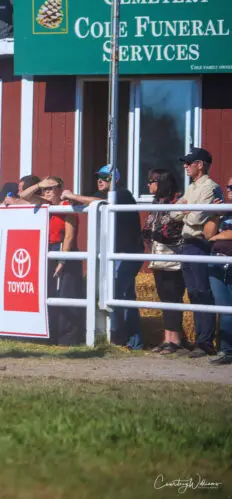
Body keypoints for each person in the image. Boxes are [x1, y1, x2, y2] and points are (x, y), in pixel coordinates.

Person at [63, 165, 144, 350]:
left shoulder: (122, 193)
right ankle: (132, 340)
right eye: (98, 177)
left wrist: (73, 196)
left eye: (104, 177)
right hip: (118, 253)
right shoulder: (104, 195)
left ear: (114, 180)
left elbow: (97, 202)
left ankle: (120, 337)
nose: (99, 180)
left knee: (117, 294)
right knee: (124, 296)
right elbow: (90, 202)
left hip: (126, 253)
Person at [172, 146, 223, 358]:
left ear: (200, 165)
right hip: (187, 242)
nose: (185, 165)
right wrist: (185, 209)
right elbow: (174, 214)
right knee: (193, 292)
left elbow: (195, 218)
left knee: (202, 291)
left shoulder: (209, 188)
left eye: (189, 162)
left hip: (199, 243)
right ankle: (201, 339)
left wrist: (184, 209)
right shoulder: (193, 188)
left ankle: (205, 341)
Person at [23, 176, 82, 345]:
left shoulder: (67, 207)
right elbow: (24, 196)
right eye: (45, 189)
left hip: (63, 251)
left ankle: (68, 338)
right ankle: (51, 334)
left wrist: (62, 260)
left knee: (66, 295)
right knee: (48, 293)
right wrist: (39, 185)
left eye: (52, 188)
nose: (48, 192)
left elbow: (69, 236)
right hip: (47, 250)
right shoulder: (45, 205)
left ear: (60, 189)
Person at [141, 169, 186, 354]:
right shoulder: (156, 203)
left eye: (152, 181)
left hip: (173, 257)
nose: (148, 184)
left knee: (172, 297)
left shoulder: (177, 201)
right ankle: (167, 338)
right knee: (163, 297)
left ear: (163, 182)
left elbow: (172, 230)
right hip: (158, 255)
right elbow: (150, 228)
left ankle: (175, 340)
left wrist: (156, 233)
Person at [203, 174, 232, 365]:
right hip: (216, 261)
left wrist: (219, 236)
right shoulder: (225, 211)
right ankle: (226, 350)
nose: (229, 191)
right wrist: (215, 213)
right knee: (223, 307)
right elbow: (207, 234)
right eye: (229, 187)